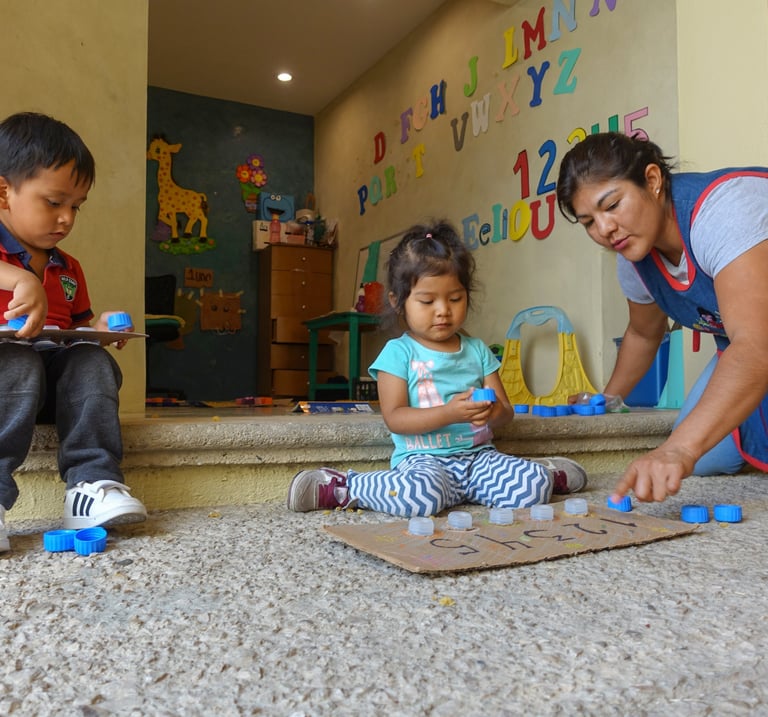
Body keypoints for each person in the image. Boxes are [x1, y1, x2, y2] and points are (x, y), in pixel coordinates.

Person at [287, 221, 587, 516]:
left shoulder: (477, 350)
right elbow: (395, 418)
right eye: (427, 301)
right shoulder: (398, 353)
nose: (443, 310)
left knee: (530, 487)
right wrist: (449, 413)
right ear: (397, 302)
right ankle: (344, 487)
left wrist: (491, 414)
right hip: (423, 462)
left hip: (478, 458)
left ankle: (546, 474)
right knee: (418, 497)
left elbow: (505, 411)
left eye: (455, 298)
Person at [556, 131, 768, 503]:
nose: (604, 230)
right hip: (750, 344)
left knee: (687, 447)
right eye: (588, 221)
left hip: (757, 344)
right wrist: (608, 399)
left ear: (652, 181)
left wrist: (679, 449)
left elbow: (756, 346)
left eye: (612, 205)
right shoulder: (633, 259)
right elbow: (643, 333)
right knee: (704, 456)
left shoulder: (723, 211)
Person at [0, 111, 147, 551]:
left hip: (55, 394)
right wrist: (18, 278)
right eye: (54, 201)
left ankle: (92, 484)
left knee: (90, 358)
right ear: (3, 192)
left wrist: (96, 329)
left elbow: (76, 326)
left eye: (76, 207)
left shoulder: (69, 268)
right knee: (18, 359)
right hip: (8, 386)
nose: (66, 218)